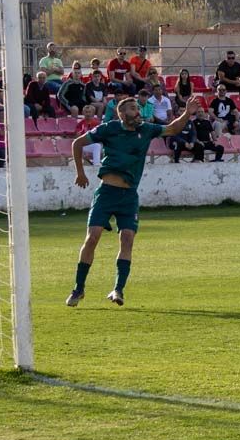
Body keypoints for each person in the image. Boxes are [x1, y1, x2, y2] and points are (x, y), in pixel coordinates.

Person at [66, 95, 201, 308]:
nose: (137, 111)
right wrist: (80, 173)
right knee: (92, 238)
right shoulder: (109, 129)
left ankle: (118, 289)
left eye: (137, 108)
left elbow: (172, 129)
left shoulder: (146, 129)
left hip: (129, 196)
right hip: (106, 193)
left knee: (127, 239)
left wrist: (186, 112)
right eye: (132, 108)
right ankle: (78, 288)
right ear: (121, 113)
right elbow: (77, 143)